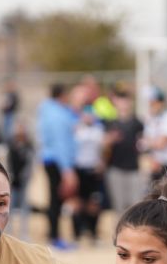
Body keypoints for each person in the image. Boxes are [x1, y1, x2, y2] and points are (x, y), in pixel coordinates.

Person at [36, 83, 79, 250]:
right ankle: (55, 237)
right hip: (58, 161)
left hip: (51, 160)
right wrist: (67, 169)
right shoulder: (57, 116)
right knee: (56, 199)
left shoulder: (48, 112)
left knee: (55, 198)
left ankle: (54, 235)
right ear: (61, 95)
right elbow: (60, 143)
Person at [104, 90, 144, 215]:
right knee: (119, 207)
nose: (124, 104)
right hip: (115, 168)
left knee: (135, 205)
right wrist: (109, 140)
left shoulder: (137, 123)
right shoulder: (110, 123)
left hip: (133, 169)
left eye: (126, 101)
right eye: (121, 101)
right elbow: (103, 148)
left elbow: (143, 143)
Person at [72, 107, 107, 244]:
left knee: (94, 203)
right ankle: (77, 233)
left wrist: (102, 163)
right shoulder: (76, 129)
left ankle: (93, 233)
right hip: (79, 170)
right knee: (77, 203)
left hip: (93, 170)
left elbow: (105, 150)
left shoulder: (98, 131)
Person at [6, 121, 35, 242]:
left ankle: (24, 232)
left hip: (24, 180)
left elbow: (30, 163)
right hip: (13, 180)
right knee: (10, 207)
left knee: (24, 207)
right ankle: (9, 230)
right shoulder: (12, 145)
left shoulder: (29, 146)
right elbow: (8, 162)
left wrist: (26, 176)